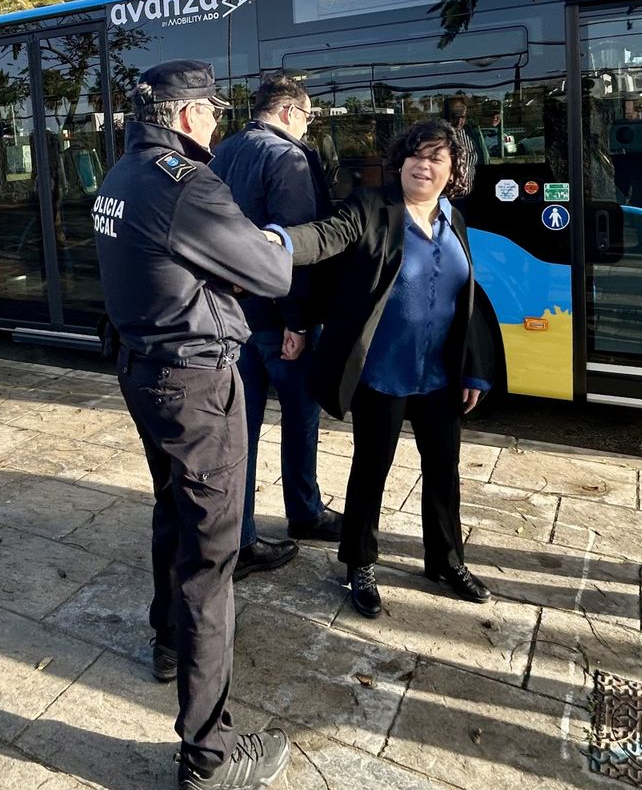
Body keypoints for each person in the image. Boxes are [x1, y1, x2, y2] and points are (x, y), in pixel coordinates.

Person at [93, 59, 294, 790]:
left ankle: (168, 641)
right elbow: (272, 276)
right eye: (211, 108)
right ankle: (208, 756)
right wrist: (268, 245)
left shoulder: (119, 177)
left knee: (172, 513)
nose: (217, 120)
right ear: (184, 115)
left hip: (144, 374)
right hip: (198, 387)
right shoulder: (190, 184)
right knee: (212, 563)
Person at [266, 117, 498, 618]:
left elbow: (468, 301)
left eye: (437, 157)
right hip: (382, 371)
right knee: (372, 468)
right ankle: (360, 562)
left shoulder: (452, 219)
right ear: (401, 162)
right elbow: (326, 235)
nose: (424, 164)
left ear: (453, 168)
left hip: (440, 374)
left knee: (444, 470)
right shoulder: (372, 208)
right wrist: (280, 241)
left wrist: (474, 370)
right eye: (416, 154)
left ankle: (445, 559)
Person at [210, 74, 343, 580]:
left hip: (232, 318)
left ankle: (239, 536)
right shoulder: (287, 156)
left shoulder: (223, 151)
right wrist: (298, 321)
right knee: (300, 415)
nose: (308, 127)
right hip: (277, 320)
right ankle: (304, 512)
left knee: (238, 432)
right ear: (289, 112)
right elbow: (294, 248)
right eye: (308, 118)